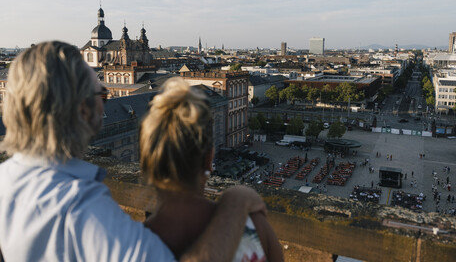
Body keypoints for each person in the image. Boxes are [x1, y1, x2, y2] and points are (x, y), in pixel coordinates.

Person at [0, 41, 266, 261]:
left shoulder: (6, 179)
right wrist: (237, 200)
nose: (105, 106)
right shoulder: (80, 207)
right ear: (82, 110)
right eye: (101, 95)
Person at [139, 78, 284, 261]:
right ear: (209, 159)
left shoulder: (128, 248)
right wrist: (239, 197)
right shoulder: (255, 229)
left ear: (145, 165)